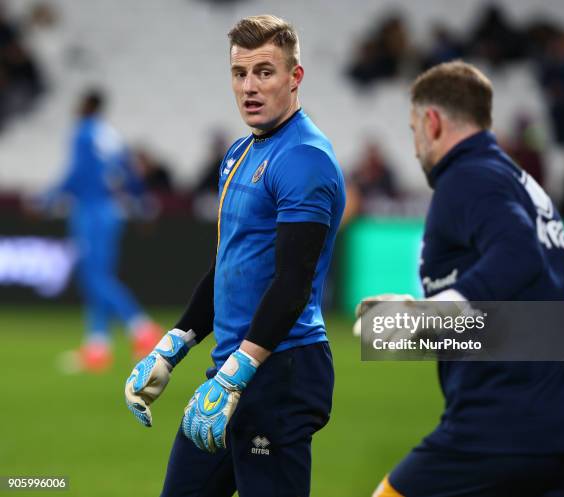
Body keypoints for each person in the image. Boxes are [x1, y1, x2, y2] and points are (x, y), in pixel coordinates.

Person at [359, 61, 564, 496]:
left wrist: (425, 316)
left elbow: (517, 256)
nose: (415, 147)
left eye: (414, 129)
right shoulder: (520, 182)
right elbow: (512, 322)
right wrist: (412, 323)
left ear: (432, 122)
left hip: (501, 428)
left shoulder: (467, 178)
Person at [124, 15, 345, 497]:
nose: (249, 86)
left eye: (264, 72)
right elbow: (226, 268)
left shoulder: (305, 159)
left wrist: (235, 378)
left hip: (279, 372)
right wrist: (173, 346)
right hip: (232, 371)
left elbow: (292, 286)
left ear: (295, 77)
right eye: (239, 73)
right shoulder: (239, 152)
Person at [42, 89, 163, 372]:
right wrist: (141, 203)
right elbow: (130, 175)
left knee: (94, 277)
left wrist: (47, 199)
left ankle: (142, 329)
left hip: (90, 211)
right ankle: (98, 347)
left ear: (86, 105)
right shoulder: (110, 136)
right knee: (98, 276)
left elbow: (77, 174)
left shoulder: (83, 133)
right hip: (112, 212)